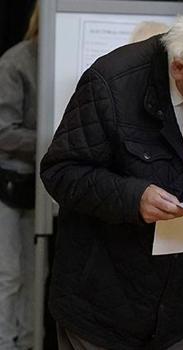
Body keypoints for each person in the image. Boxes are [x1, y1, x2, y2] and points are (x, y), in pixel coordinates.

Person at [40, 12, 183, 350]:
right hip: (102, 306)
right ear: (179, 68)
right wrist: (133, 198)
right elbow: (61, 171)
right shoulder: (112, 82)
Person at [0, 3, 38, 349]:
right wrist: (51, 140)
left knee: (34, 274)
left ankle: (27, 342)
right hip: (13, 184)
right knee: (10, 275)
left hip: (42, 185)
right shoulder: (14, 62)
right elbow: (3, 133)